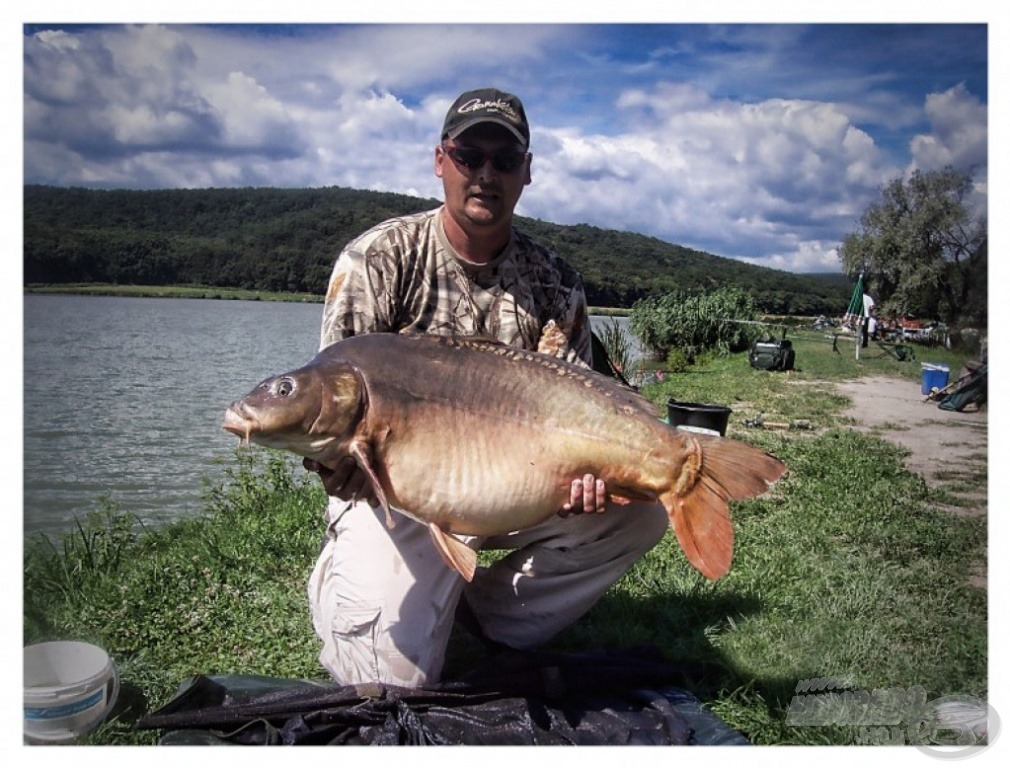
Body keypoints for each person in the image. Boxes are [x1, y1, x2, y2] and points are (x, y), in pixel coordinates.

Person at [303, 88, 668, 688]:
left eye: (504, 160)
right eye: (470, 155)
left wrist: (590, 479)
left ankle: (486, 618)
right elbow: (332, 420)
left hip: (517, 486)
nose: (485, 174)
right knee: (385, 689)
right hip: (400, 499)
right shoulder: (380, 259)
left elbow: (580, 409)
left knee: (643, 512)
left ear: (527, 172)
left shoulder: (555, 283)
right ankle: (368, 590)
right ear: (440, 160)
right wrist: (334, 461)